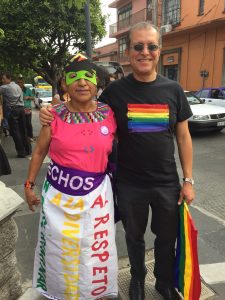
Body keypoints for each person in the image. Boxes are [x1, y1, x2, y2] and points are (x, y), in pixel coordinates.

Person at [39, 22, 195, 300]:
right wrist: (51, 110)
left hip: (166, 182)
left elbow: (183, 138)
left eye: (151, 46)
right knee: (134, 237)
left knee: (166, 237)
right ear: (129, 52)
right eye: (138, 46)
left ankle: (163, 281)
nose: (144, 52)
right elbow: (82, 103)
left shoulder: (174, 89)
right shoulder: (114, 92)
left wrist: (188, 180)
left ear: (159, 51)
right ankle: (137, 277)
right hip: (129, 182)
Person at [24, 53, 118, 300]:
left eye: (88, 77)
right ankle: (60, 293)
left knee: (94, 251)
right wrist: (29, 185)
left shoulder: (110, 113)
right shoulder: (52, 116)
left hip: (98, 197)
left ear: (97, 82)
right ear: (65, 84)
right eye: (74, 78)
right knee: (59, 252)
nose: (82, 83)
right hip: (59, 198)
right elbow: (39, 152)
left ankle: (94, 293)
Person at [0, 73, 31, 158]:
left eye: (3, 79)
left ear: (8, 79)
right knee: (23, 130)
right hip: (21, 110)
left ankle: (21, 152)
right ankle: (28, 150)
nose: (2, 81)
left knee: (15, 132)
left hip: (13, 111)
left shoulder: (5, 87)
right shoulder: (17, 86)